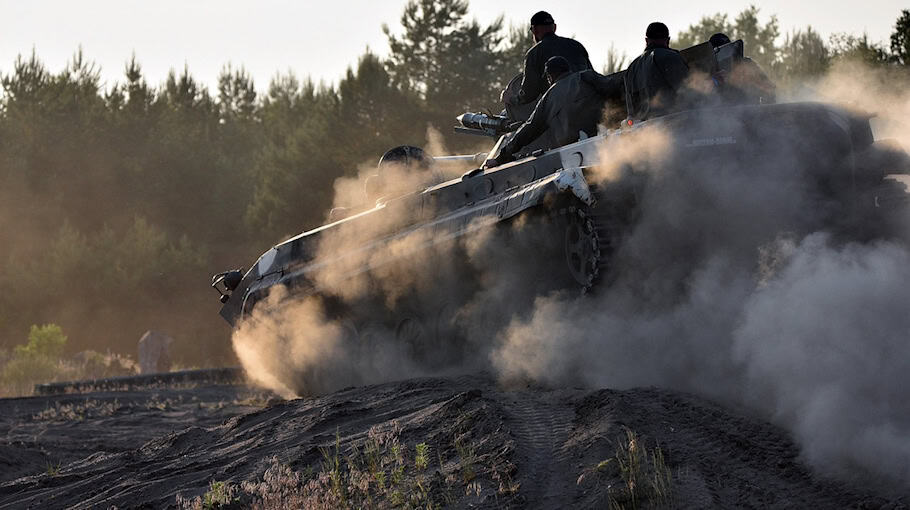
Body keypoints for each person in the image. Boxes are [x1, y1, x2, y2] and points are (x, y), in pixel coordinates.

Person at [485, 56, 623, 168]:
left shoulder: (549, 97)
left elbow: (530, 128)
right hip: (607, 146)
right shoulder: (586, 76)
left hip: (573, 159)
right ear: (567, 69)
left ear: (549, 77)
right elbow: (615, 89)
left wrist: (502, 156)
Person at [503, 11, 593, 112]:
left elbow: (529, 93)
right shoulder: (577, 46)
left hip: (559, 114)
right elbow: (592, 76)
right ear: (554, 27)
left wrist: (511, 99)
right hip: (588, 108)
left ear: (534, 30)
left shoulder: (535, 53)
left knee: (531, 126)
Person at [623, 22, 692, 121]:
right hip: (674, 125)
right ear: (668, 40)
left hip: (647, 132)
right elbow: (689, 92)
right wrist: (714, 81)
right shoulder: (670, 57)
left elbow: (631, 113)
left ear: (646, 40)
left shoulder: (631, 69)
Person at [708, 33, 776, 104]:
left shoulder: (746, 65)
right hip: (722, 112)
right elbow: (702, 102)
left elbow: (769, 88)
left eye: (727, 50)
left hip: (751, 110)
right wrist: (715, 81)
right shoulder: (708, 72)